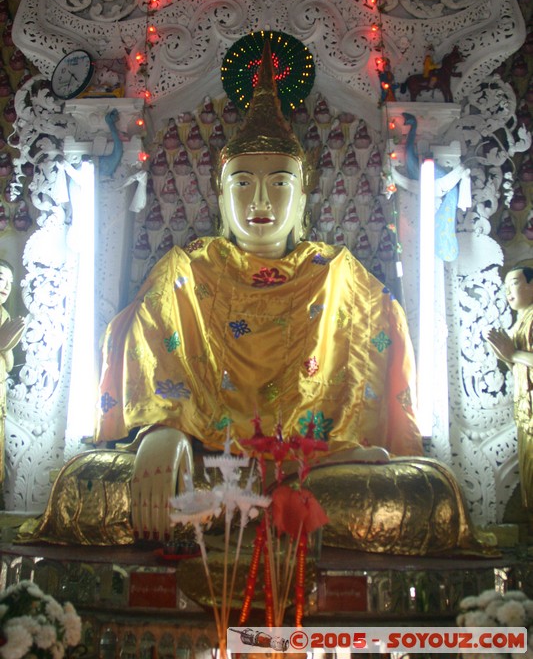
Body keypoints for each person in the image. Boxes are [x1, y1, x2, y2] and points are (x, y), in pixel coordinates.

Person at [20, 42, 494, 556]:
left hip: (313, 474)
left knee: (422, 496)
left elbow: (366, 391)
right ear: (220, 197)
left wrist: (342, 456)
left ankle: (272, 504)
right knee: (86, 484)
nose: (261, 201)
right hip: (201, 465)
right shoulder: (186, 270)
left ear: (305, 195)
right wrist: (160, 432)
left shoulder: (339, 276)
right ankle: (273, 511)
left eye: (279, 182)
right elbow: (148, 363)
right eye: (242, 183)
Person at [486, 266, 533, 519]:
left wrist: (512, 353)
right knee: (527, 474)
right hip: (526, 409)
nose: (508, 292)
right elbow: (517, 366)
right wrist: (503, 354)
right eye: (505, 287)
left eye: (514, 283)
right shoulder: (518, 324)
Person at [0, 259, 25, 502]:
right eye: (0, 279)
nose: (5, 286)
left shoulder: (5, 314)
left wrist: (6, 346)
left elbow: (7, 363)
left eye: (10, 282)